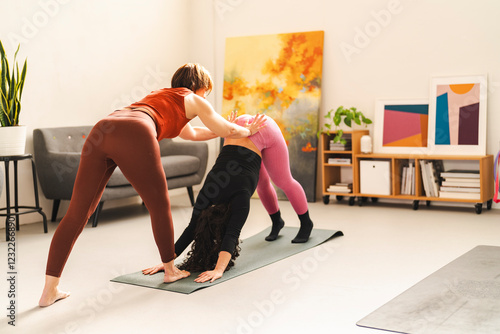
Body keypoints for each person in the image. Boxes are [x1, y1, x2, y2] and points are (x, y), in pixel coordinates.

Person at [38, 63, 266, 307]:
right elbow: (226, 128)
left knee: (77, 213)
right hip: (135, 131)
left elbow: (192, 134)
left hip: (103, 128)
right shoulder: (194, 98)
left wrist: (222, 130)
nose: (205, 97)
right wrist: (247, 129)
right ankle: (170, 270)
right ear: (200, 87)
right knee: (159, 203)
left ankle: (49, 290)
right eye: (206, 92)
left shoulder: (161, 96)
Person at [142, 114, 314, 283]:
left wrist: (218, 270)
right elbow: (193, 229)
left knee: (282, 180)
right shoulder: (206, 196)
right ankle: (278, 222)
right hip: (236, 126)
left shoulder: (240, 201)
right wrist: (167, 263)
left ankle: (306, 223)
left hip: (263, 128)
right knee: (262, 183)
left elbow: (230, 234)